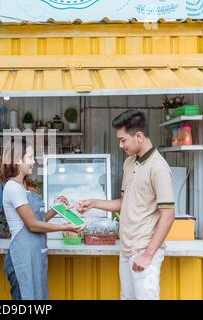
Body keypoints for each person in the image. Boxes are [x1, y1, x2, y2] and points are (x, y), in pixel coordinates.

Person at [75, 110, 175, 300]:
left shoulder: (159, 168)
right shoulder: (129, 163)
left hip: (145, 250)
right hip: (126, 248)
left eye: (123, 140)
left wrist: (148, 254)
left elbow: (168, 215)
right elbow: (124, 202)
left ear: (139, 136)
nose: (121, 145)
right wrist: (93, 203)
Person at [0, 137, 84, 300]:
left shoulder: (23, 187)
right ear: (18, 159)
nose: (33, 162)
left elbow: (39, 219)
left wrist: (56, 209)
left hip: (33, 256)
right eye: (30, 157)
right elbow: (33, 225)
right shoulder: (13, 188)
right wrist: (66, 227)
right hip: (22, 258)